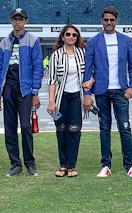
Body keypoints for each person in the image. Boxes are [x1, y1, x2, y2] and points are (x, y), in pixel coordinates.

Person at [83, 7, 132, 178]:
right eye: (106, 20)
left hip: (121, 91)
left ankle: (129, 165)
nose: (109, 23)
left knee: (125, 128)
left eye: (112, 20)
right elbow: (88, 69)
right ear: (102, 21)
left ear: (117, 21)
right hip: (101, 91)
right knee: (104, 128)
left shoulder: (125, 40)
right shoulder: (93, 41)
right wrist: (87, 94)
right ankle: (105, 165)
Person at [0, 7, 44, 177]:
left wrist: (35, 92)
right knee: (10, 127)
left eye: (20, 19)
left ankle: (30, 163)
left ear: (26, 21)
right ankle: (15, 164)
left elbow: (38, 66)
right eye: (15, 19)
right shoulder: (4, 42)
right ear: (11, 21)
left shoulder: (33, 40)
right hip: (8, 87)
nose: (17, 22)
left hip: (25, 89)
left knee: (25, 126)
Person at [47, 25, 86, 178]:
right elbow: (51, 80)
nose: (71, 37)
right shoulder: (56, 55)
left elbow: (90, 73)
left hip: (77, 97)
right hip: (60, 98)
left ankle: (72, 165)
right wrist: (51, 101)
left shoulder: (83, 53)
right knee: (61, 129)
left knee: (74, 130)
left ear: (77, 37)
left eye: (74, 35)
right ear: (62, 36)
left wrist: (90, 83)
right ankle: (63, 165)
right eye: (68, 34)